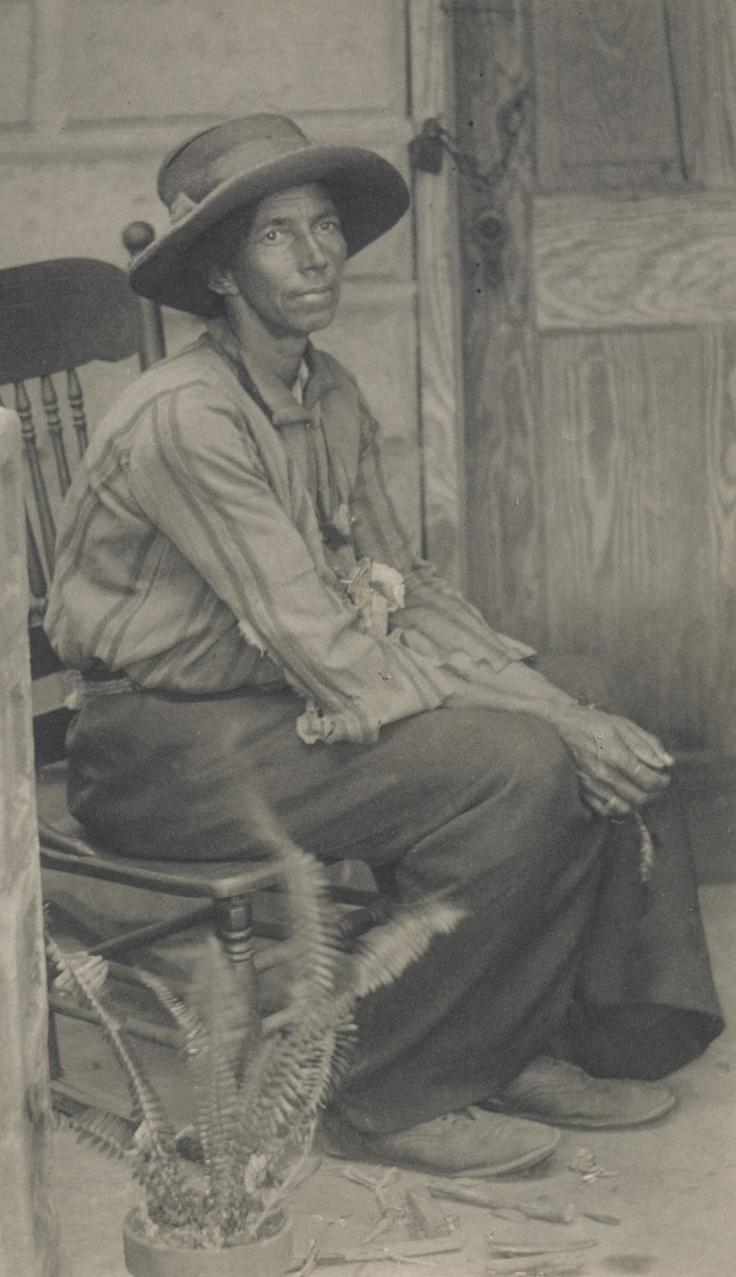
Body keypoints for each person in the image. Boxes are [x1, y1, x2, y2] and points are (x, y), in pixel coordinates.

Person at [45, 114, 722, 1176]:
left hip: (272, 708)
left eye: (323, 226)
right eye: (277, 236)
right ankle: (389, 1089)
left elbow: (403, 590)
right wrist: (549, 723)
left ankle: (516, 1037)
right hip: (159, 750)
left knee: (581, 688)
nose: (318, 254)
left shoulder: (328, 393)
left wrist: (557, 697)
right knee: (518, 761)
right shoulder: (189, 418)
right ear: (221, 270)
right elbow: (321, 640)